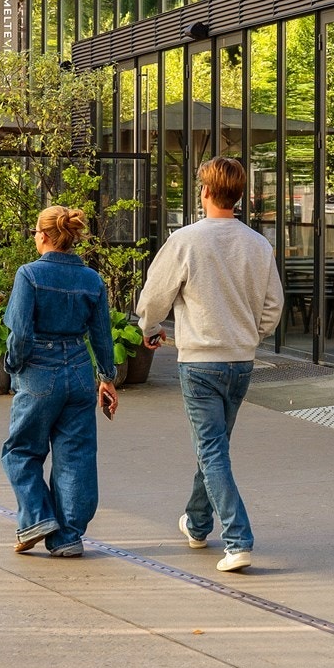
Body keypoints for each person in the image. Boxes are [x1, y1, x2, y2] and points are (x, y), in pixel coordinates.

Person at [136, 157, 283, 573]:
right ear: (238, 195)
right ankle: (198, 523)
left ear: (204, 192)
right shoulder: (258, 244)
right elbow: (273, 306)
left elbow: (155, 295)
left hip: (200, 361)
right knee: (214, 447)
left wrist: (149, 327)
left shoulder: (186, 240)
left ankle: (238, 539)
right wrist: (252, 333)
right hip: (240, 360)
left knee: (212, 449)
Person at [1, 205, 119, 557]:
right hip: (80, 373)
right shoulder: (92, 279)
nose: (34, 237)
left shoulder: (29, 275)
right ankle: (67, 536)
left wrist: (13, 365)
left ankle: (37, 518)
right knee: (77, 455)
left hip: (39, 370)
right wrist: (106, 379)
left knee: (21, 450)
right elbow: (101, 335)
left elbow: (20, 334)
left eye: (36, 232)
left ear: (44, 235)